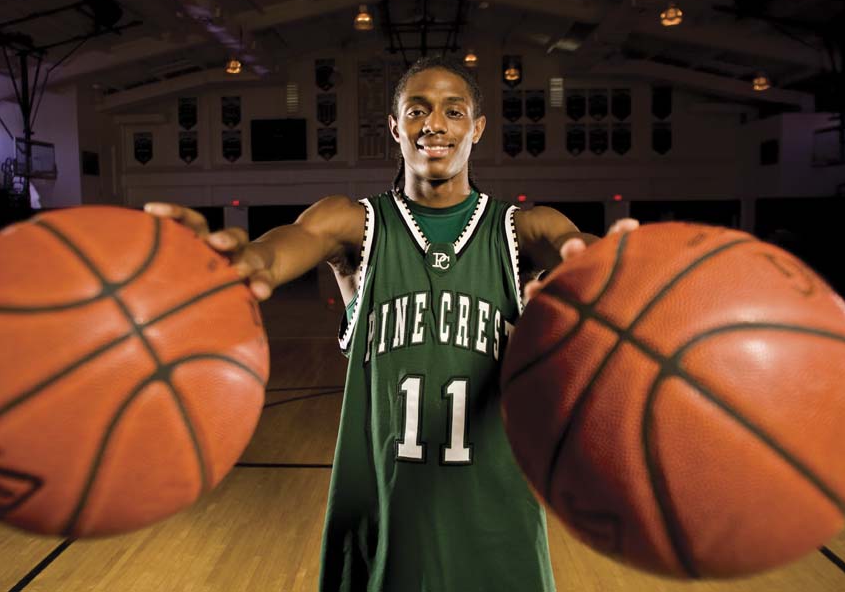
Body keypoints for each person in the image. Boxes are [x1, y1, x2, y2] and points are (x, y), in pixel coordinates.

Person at [145, 55, 638, 592]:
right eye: (417, 109)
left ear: (476, 128)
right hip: (383, 516)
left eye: (454, 111)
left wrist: (611, 271)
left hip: (495, 518)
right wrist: (238, 262)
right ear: (394, 127)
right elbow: (285, 247)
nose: (434, 124)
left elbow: (581, 253)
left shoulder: (523, 229)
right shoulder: (354, 225)